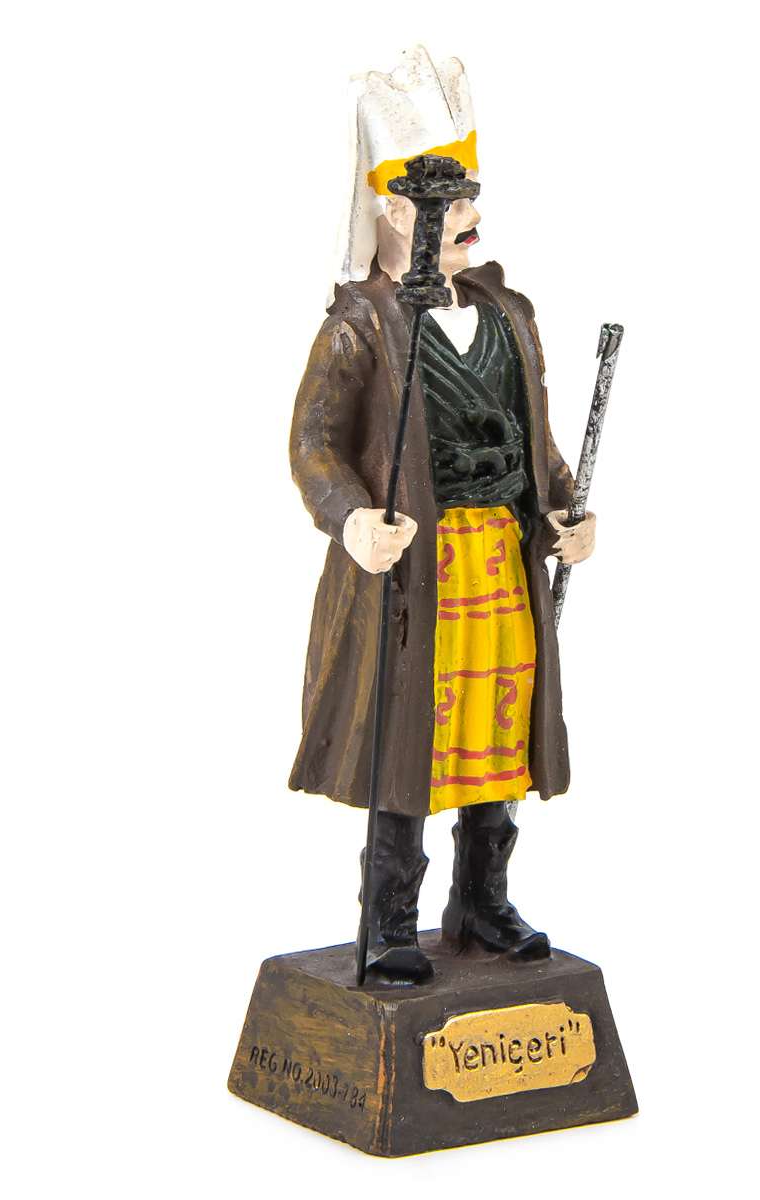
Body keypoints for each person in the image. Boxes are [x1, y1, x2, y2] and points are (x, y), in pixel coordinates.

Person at [289, 47, 595, 982]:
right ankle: (390, 919)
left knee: (499, 725)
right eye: (447, 198)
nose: (468, 213)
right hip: (413, 573)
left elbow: (533, 434)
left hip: (501, 562)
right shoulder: (359, 325)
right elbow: (313, 444)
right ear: (394, 211)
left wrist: (566, 509)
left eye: (468, 196)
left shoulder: (508, 312)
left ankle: (482, 903)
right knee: (408, 738)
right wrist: (352, 521)